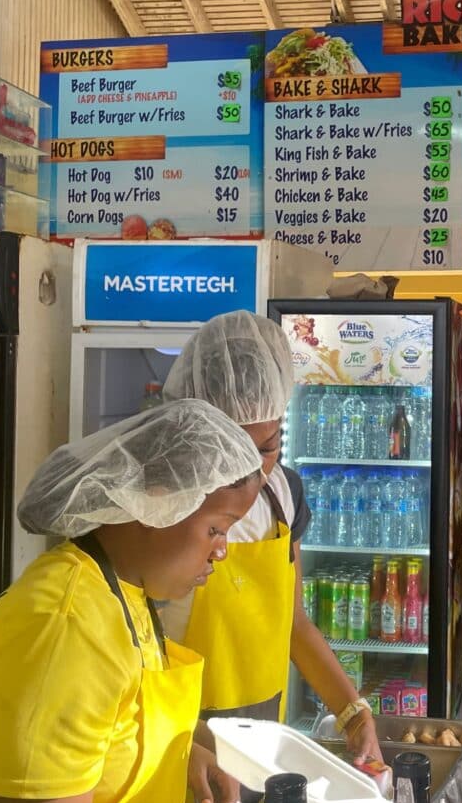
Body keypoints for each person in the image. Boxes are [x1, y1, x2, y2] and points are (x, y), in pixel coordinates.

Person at [0, 398, 384, 803]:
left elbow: (118, 723)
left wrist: (184, 757)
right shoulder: (61, 629)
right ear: (157, 505)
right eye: (215, 529)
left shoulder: (126, 593)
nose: (222, 552)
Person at [162, 311, 381, 765]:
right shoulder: (162, 506)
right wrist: (184, 738)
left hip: (263, 733)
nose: (254, 471)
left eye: (268, 446)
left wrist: (353, 712)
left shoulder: (284, 493)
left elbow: (294, 624)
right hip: (176, 742)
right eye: (236, 451)